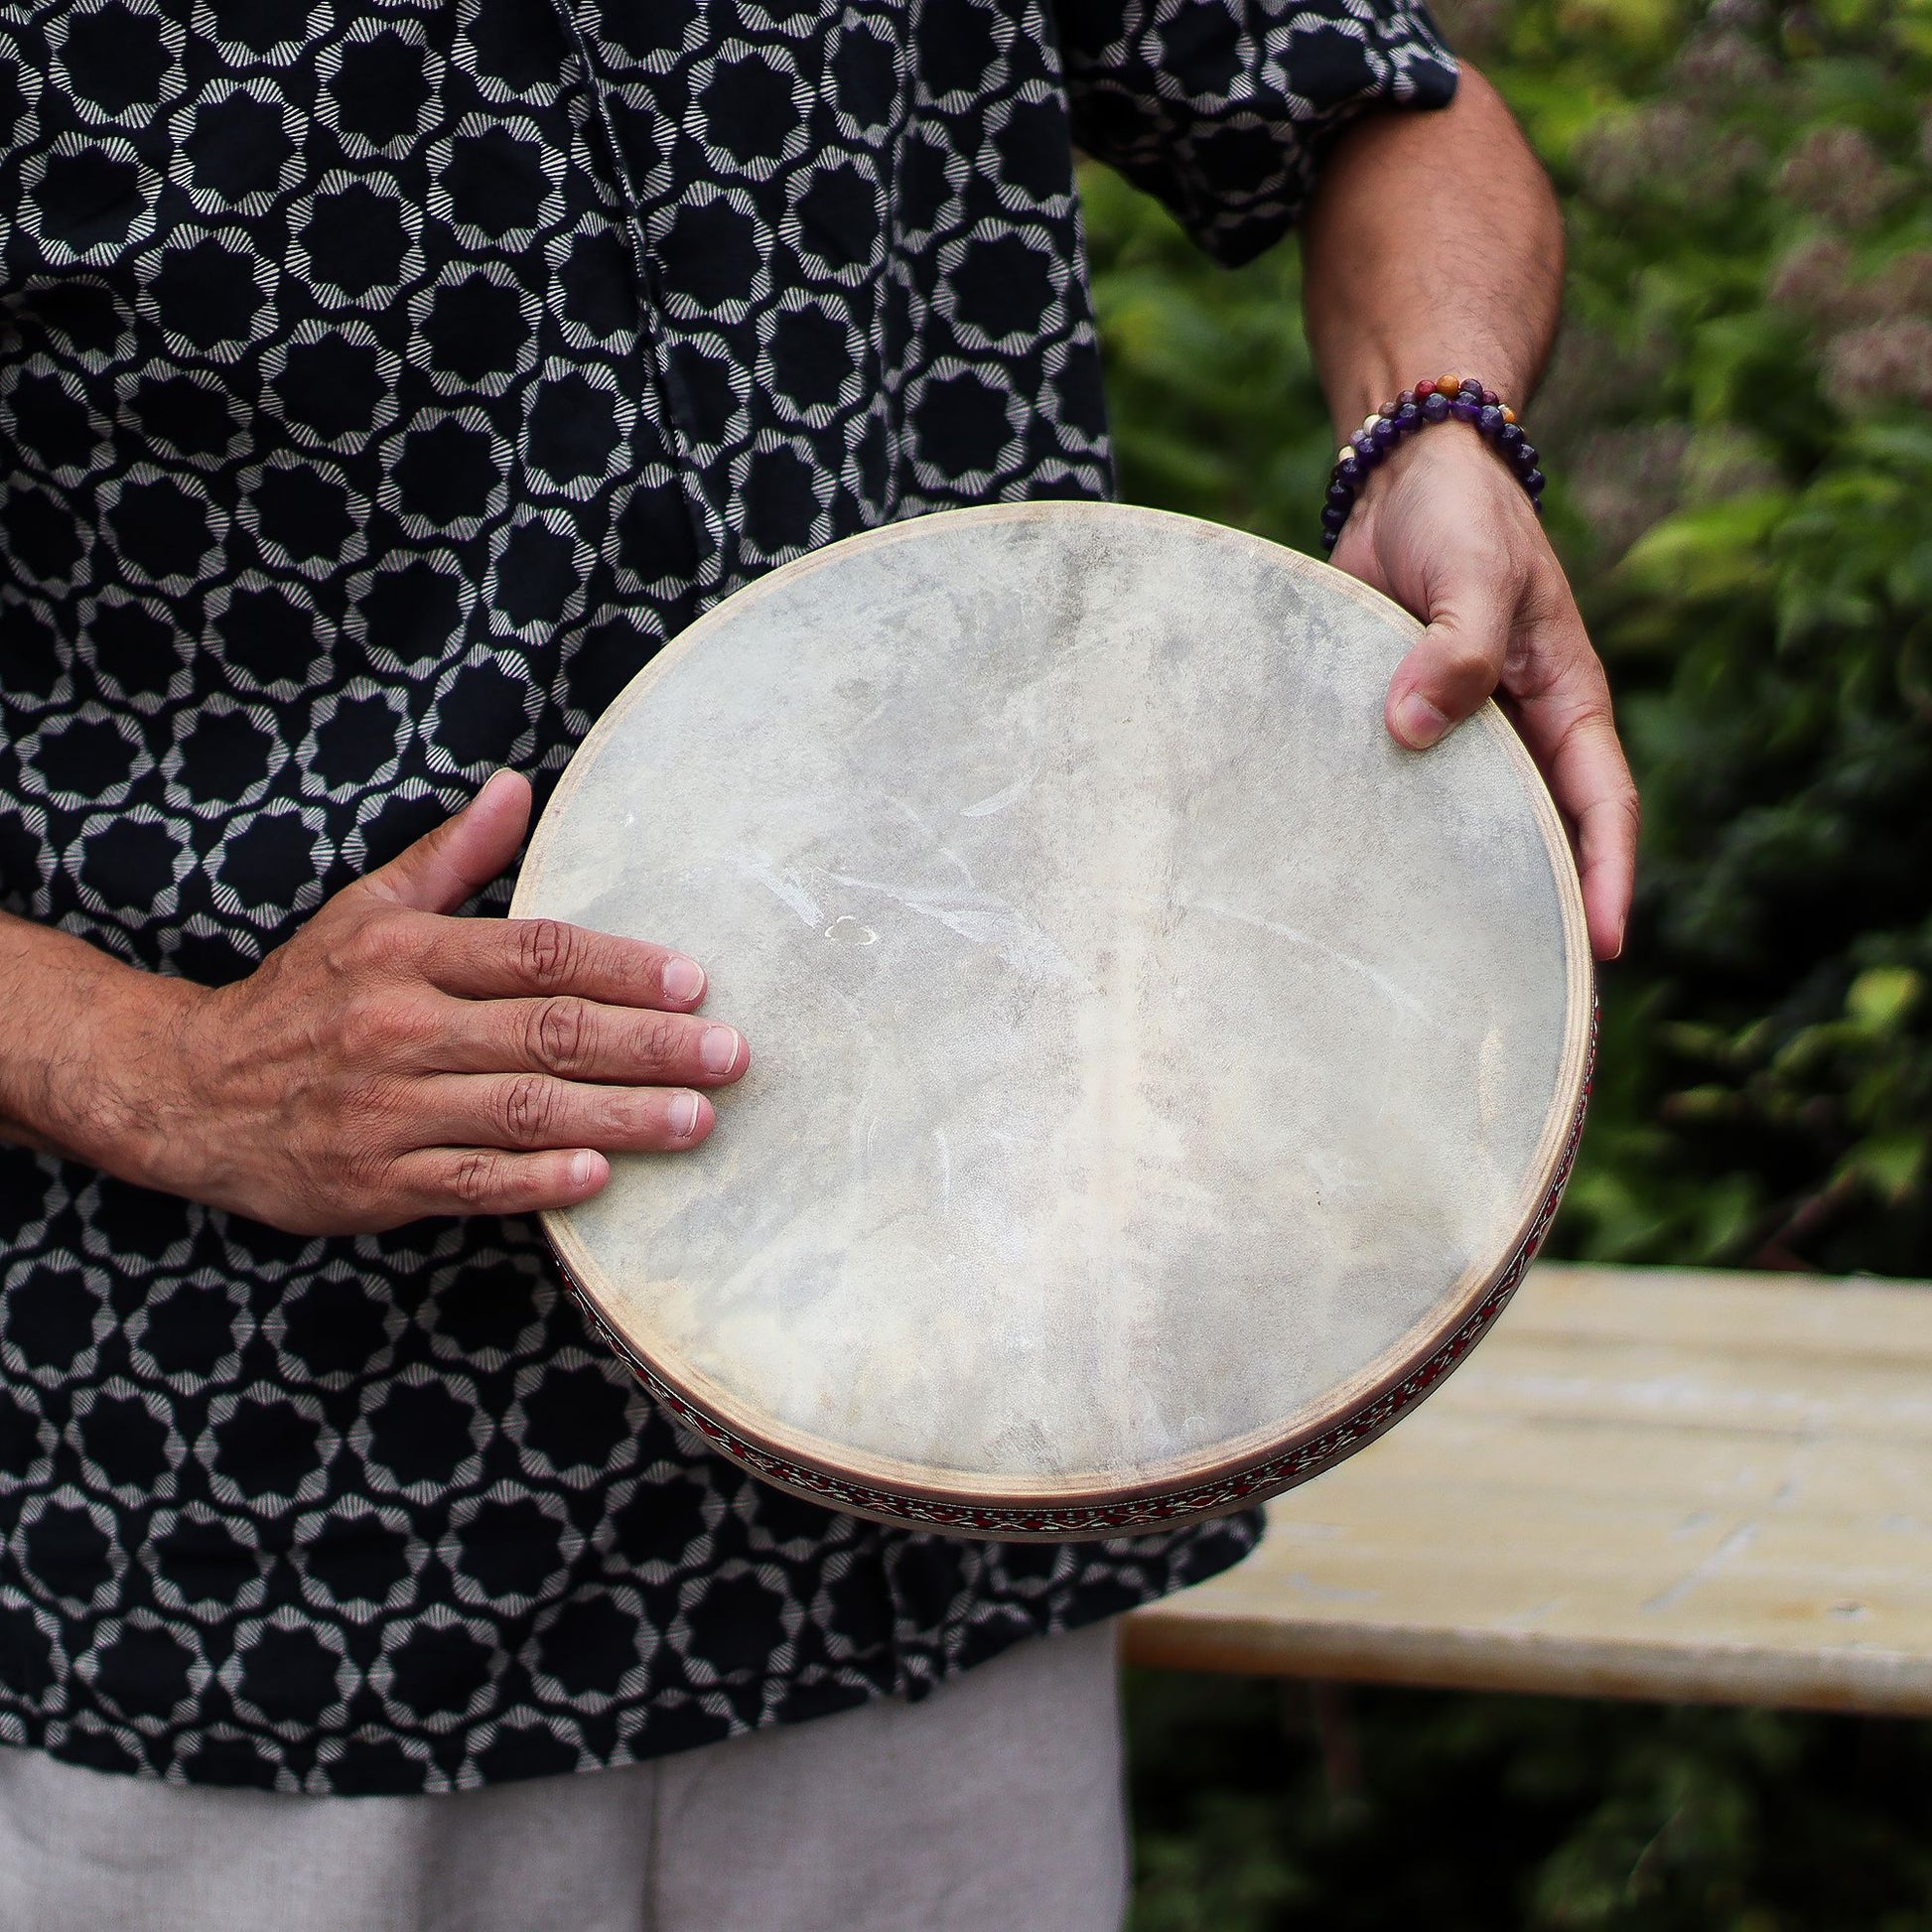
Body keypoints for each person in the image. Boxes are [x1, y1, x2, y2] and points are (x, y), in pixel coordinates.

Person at [0, 0, 1636, 1924]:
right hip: (256, 1544)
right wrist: (166, 1065)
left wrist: (1437, 419)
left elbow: (1389, 108)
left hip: (956, 1451)